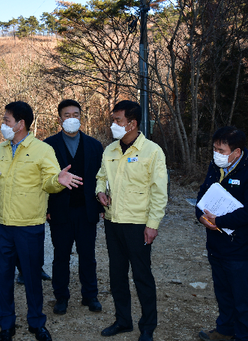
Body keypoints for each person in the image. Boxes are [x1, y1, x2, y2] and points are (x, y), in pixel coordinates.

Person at [0, 101, 82, 341]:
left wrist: (59, 180)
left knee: (32, 278)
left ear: (20, 123)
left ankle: (37, 323)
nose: (3, 124)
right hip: (3, 225)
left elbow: (49, 183)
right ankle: (6, 325)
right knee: (3, 277)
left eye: (6, 120)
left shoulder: (42, 150)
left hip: (29, 226)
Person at [96, 100, 168, 341]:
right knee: (117, 275)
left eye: (118, 121)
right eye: (113, 120)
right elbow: (101, 176)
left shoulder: (152, 151)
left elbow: (159, 192)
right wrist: (100, 192)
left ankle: (148, 325)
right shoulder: (110, 150)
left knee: (141, 276)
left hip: (138, 225)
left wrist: (153, 225)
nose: (113, 125)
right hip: (113, 221)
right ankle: (123, 320)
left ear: (132, 123)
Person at [196, 126, 248, 341]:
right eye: (215, 149)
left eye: (221, 150)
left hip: (237, 245)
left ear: (237, 152)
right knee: (222, 292)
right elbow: (202, 194)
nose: (217, 154)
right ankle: (224, 330)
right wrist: (200, 216)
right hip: (215, 242)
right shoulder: (215, 167)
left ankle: (243, 337)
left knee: (241, 297)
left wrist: (220, 221)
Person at [44, 99, 104, 315]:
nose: (71, 118)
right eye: (67, 115)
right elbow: (42, 178)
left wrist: (101, 205)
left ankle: (90, 295)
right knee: (61, 255)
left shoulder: (95, 146)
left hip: (86, 209)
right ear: (59, 119)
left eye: (75, 114)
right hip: (60, 210)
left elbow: (101, 178)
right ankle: (61, 296)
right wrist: (46, 208)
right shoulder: (48, 145)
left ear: (81, 117)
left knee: (87, 254)